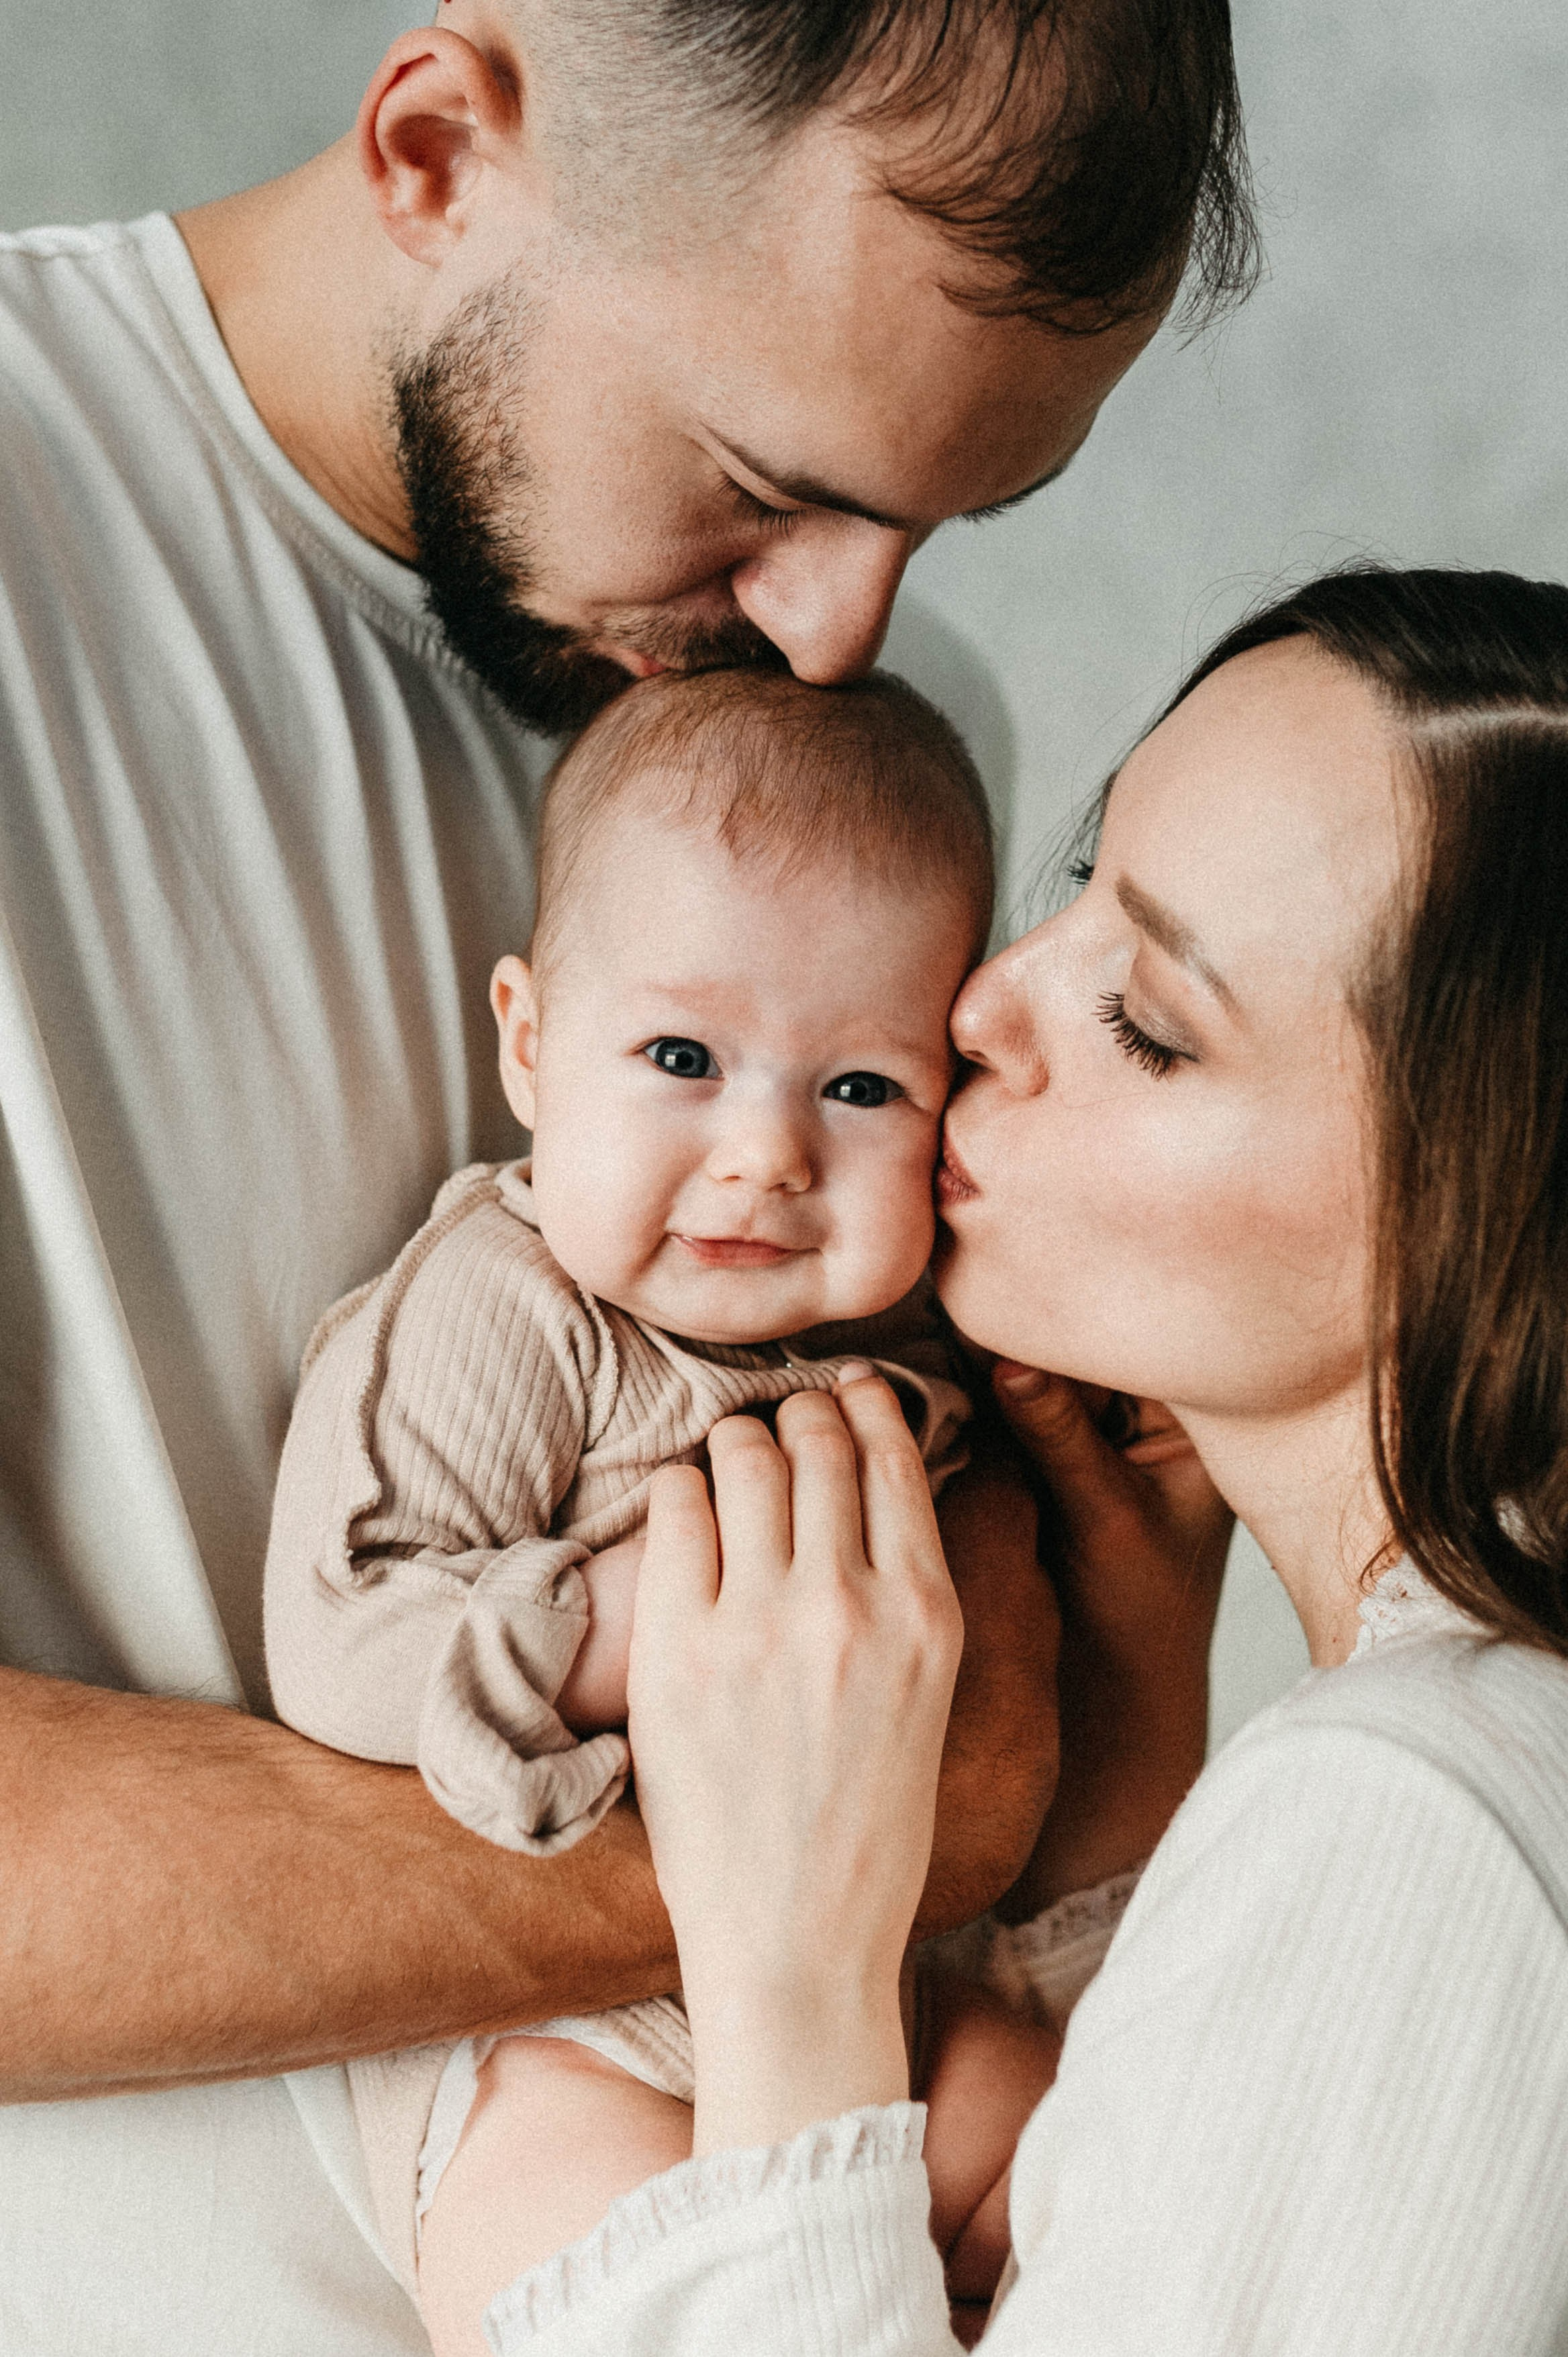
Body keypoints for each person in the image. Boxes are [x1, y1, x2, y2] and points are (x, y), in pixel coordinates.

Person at [0, 3, 1257, 2346]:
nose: (841, 630)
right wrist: (815, 1840)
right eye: (764, 475)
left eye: (938, 520)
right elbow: (944, 1769)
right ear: (436, 147)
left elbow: (983, 1643)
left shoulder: (847, 774)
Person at [474, 565, 1568, 2355]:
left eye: (1148, 1019)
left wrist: (801, 1999)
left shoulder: (1420, 1813)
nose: (981, 1004)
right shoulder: (1429, 1766)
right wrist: (1133, 1758)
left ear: (1477, 1213)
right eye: (1072, 893)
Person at [262, 667, 1065, 2341]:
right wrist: (635, 1632)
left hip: (883, 1981)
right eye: (683, 1056)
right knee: (611, 2242)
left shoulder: (905, 1332)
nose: (766, 1151)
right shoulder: (512, 1306)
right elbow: (343, 1639)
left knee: (1079, 2132)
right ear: (534, 1046)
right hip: (564, 2024)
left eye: (861, 1087)